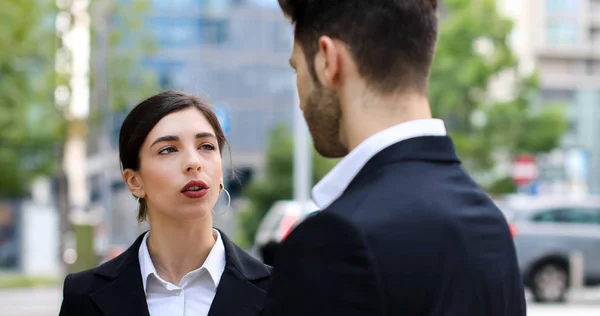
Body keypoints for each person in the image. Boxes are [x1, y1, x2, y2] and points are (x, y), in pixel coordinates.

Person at [265, 1, 526, 315]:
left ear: (327, 60)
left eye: (297, 69)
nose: (300, 101)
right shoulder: (490, 225)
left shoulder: (333, 242)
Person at [59, 91, 272, 316]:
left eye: (206, 146)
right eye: (168, 149)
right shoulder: (84, 295)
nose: (193, 162)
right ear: (134, 181)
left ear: (221, 174)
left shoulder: (281, 291)